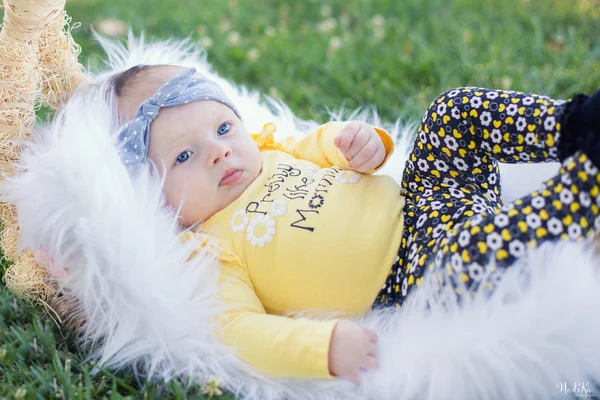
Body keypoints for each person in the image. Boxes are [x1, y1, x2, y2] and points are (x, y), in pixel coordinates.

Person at [109, 63, 600, 383]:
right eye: (185, 156)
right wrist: (321, 347)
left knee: (450, 114)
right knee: (478, 251)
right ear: (153, 194)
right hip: (416, 278)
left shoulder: (268, 149)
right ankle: (586, 183)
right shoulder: (212, 247)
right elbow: (239, 330)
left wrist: (361, 143)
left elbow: (324, 144)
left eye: (222, 128)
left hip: (422, 202)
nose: (219, 152)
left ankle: (578, 126)